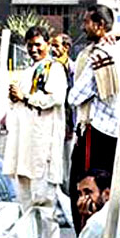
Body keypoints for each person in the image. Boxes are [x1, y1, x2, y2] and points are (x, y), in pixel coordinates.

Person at [2, 25, 68, 238]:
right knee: (26, 193)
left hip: (43, 140)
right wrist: (16, 97)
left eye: (38, 44)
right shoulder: (28, 70)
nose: (34, 49)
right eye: (30, 45)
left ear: (48, 44)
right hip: (25, 140)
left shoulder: (55, 69)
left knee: (44, 194)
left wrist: (26, 97)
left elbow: (55, 98)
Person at [67, 4, 120, 234]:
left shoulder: (101, 55)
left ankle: (86, 236)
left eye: (87, 23)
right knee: (107, 186)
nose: (84, 27)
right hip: (113, 132)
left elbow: (75, 96)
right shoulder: (118, 50)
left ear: (100, 26)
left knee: (85, 187)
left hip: (96, 130)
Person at [51, 32, 76, 194]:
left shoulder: (70, 68)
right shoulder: (54, 66)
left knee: (66, 164)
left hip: (68, 124)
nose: (53, 49)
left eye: (56, 45)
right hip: (56, 122)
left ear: (66, 48)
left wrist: (69, 124)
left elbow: (70, 100)